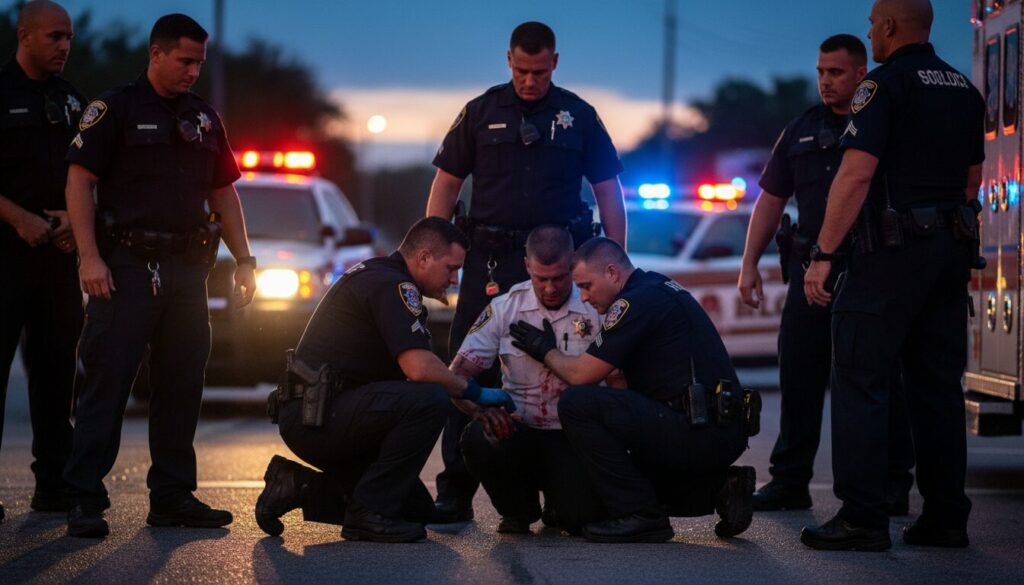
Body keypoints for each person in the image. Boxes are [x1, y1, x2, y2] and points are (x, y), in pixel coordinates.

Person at [62, 14, 257, 538]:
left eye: (199, 63)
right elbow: (80, 182)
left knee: (181, 384)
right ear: (156, 53)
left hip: (187, 269)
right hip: (124, 267)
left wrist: (244, 260)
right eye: (185, 60)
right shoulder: (116, 109)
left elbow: (223, 191)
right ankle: (83, 498)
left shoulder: (204, 118)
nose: (193, 71)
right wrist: (88, 257)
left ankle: (172, 496)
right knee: (107, 382)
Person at [801, 0, 984, 551]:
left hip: (889, 256)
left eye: (871, 25)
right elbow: (972, 181)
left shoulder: (881, 87)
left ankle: (862, 517)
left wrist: (824, 254)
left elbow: (856, 175)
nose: (869, 34)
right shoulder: (963, 89)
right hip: (949, 253)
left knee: (861, 379)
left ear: (887, 27)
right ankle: (946, 517)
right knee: (936, 389)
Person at [426, 20, 627, 522]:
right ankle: (454, 489)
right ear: (508, 60)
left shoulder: (579, 115)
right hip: (490, 259)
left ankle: (581, 473)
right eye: (521, 70)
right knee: (467, 364)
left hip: (563, 262)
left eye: (539, 71)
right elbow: (447, 185)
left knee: (585, 359)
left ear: (555, 62)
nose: (530, 81)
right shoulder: (480, 111)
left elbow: (608, 190)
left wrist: (616, 265)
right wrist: (441, 252)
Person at [253, 218, 515, 543]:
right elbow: (419, 368)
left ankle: (295, 486)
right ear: (423, 258)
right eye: (451, 268)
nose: (454, 278)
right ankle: (367, 515)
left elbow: (417, 372)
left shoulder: (384, 277)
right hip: (318, 418)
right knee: (429, 399)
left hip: (329, 413)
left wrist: (472, 408)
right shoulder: (393, 286)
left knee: (415, 511)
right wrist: (474, 391)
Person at [738, 34, 915, 514]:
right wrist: (749, 262)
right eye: (820, 72)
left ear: (861, 74)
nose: (825, 81)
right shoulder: (801, 129)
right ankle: (790, 481)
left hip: (871, 268)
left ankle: (892, 485)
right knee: (799, 376)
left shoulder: (882, 120)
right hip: (808, 271)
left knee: (878, 381)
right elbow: (770, 199)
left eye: (835, 72)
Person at [509, 238, 756, 543]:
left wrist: (543, 348)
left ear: (612, 273)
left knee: (578, 403)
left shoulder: (633, 303)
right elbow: (620, 384)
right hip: (709, 426)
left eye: (586, 286)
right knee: (606, 485)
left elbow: (581, 375)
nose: (583, 297)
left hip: (697, 429)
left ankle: (640, 515)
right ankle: (720, 489)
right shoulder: (656, 287)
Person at [451, 225, 605, 535]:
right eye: (541, 279)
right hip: (519, 432)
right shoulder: (505, 308)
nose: (550, 289)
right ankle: (517, 510)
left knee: (577, 521)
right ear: (526, 267)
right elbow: (456, 375)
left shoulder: (596, 306)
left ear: (573, 263)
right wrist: (481, 410)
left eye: (559, 278)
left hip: (574, 437)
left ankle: (561, 504)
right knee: (479, 437)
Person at [0, 0, 84, 523]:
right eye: (54, 37)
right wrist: (18, 219)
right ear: (24, 35)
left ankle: (53, 485)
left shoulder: (75, 101)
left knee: (56, 376)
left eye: (69, 38)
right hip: (5, 256)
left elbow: (93, 177)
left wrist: (77, 221)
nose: (64, 46)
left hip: (56, 260)